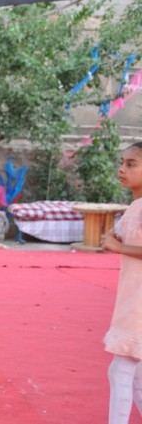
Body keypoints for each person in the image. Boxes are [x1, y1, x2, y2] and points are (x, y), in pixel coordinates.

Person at [100, 142, 142, 424]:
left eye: (131, 164)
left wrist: (119, 247)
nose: (122, 169)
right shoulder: (135, 206)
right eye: (122, 162)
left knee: (121, 370)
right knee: (136, 375)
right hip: (132, 296)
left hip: (138, 302)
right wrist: (114, 240)